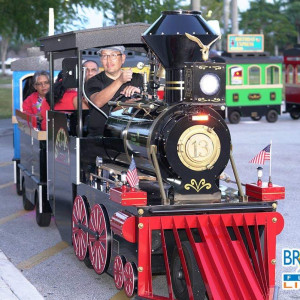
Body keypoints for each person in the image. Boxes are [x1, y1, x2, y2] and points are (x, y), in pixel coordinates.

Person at [85, 46, 143, 136]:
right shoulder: (93, 81)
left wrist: (140, 93)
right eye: (104, 56)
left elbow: (153, 102)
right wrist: (120, 81)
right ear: (101, 60)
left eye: (113, 55)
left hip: (131, 135)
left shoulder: (136, 78)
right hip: (99, 137)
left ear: (123, 58)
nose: (109, 60)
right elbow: (97, 102)